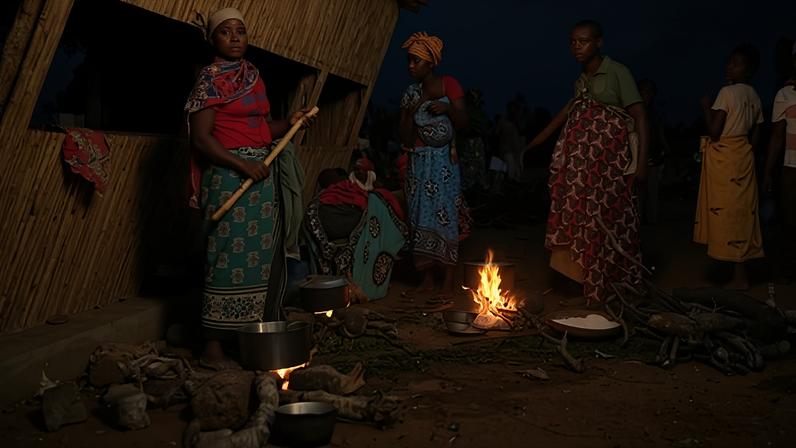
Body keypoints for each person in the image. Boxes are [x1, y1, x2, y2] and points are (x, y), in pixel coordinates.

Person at [184, 7, 313, 362]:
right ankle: (212, 343)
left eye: (240, 30)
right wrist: (242, 164)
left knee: (257, 260)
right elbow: (201, 138)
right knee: (224, 255)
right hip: (228, 179)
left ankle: (250, 336)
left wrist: (290, 122)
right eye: (226, 32)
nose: (236, 37)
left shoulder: (253, 76)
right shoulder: (209, 80)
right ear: (213, 39)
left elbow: (261, 130)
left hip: (260, 179)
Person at [526, 20, 648, 302]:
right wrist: (536, 142)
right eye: (572, 41)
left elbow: (640, 116)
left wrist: (640, 164)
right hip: (579, 170)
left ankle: (612, 284)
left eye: (583, 41)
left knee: (609, 219)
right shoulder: (581, 80)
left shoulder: (618, 72)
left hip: (607, 165)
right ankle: (581, 281)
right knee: (577, 218)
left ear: (599, 43)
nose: (576, 47)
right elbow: (566, 112)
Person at [399, 31, 469, 297]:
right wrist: (409, 110)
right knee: (418, 219)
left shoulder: (448, 85)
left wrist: (448, 109)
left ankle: (448, 281)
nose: (411, 66)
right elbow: (405, 137)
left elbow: (464, 123)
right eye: (409, 60)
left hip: (443, 165)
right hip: (418, 163)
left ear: (431, 64)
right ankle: (426, 280)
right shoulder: (410, 93)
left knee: (445, 217)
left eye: (416, 61)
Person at [696, 44, 764, 290]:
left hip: (726, 157)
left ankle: (739, 277)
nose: (729, 66)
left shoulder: (727, 93)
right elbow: (757, 131)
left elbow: (714, 131)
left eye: (736, 63)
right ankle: (737, 270)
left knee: (725, 213)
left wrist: (705, 106)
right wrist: (746, 152)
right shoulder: (754, 95)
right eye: (729, 61)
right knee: (742, 213)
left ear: (749, 69)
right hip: (743, 156)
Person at [304, 158, 407, 300]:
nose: (359, 172)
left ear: (370, 173)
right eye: (357, 169)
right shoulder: (341, 192)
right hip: (335, 229)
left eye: (363, 170)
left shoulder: (376, 196)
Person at [763, 42, 796, 282]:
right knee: (789, 221)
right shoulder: (785, 94)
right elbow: (777, 136)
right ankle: (788, 270)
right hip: (790, 168)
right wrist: (767, 173)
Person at [638, 79, 670, 224]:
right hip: (639, 158)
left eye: (651, 92)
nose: (648, 95)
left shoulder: (655, 114)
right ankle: (637, 220)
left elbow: (660, 134)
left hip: (655, 157)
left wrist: (667, 151)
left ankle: (652, 220)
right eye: (645, 91)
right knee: (638, 192)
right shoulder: (635, 112)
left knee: (653, 191)